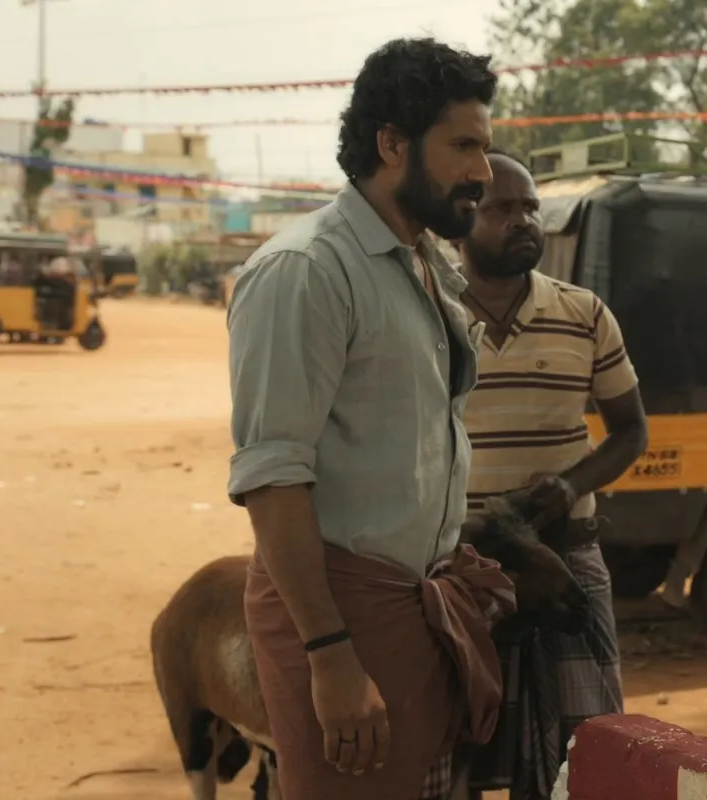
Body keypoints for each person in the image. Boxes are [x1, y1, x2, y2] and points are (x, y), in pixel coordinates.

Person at [225, 38, 507, 800]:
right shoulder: (306, 270)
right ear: (391, 143)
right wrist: (329, 654)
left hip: (414, 611)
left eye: (484, 147)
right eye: (464, 146)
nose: (483, 171)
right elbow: (274, 479)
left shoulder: (421, 264)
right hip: (341, 620)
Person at [453, 151, 648, 800]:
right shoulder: (429, 315)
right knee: (457, 751)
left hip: (566, 559)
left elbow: (631, 432)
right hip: (461, 568)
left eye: (530, 208)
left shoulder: (584, 313)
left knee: (589, 750)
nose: (522, 221)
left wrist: (569, 486)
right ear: (461, 220)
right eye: (501, 209)